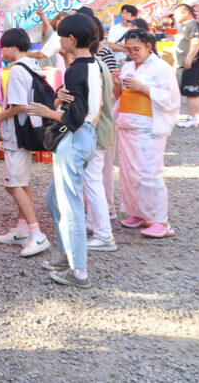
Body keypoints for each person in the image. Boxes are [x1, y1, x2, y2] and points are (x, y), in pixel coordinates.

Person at [26, 14, 101, 288]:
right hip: (84, 138)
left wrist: (49, 111)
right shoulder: (89, 64)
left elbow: (74, 118)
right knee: (55, 200)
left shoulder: (77, 69)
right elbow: (82, 105)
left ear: (71, 39)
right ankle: (69, 256)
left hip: (76, 138)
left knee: (70, 206)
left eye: (60, 36)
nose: (57, 41)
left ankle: (79, 271)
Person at [0, 28, 51, 258]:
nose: (2, 51)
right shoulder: (33, 66)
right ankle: (24, 229)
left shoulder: (16, 71)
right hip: (28, 131)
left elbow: (18, 106)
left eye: (3, 47)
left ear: (12, 47)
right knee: (23, 182)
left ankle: (36, 234)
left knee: (13, 184)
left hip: (16, 133)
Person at [113, 29, 180, 238]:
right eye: (129, 49)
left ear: (148, 46)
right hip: (127, 123)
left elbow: (169, 98)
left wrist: (143, 87)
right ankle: (139, 213)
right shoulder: (127, 66)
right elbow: (120, 96)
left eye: (136, 49)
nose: (132, 53)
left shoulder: (161, 68)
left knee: (149, 174)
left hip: (148, 126)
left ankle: (161, 220)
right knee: (129, 173)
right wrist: (117, 85)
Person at [82, 15, 117, 251]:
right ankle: (96, 224)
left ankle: (104, 234)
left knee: (93, 183)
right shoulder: (100, 63)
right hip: (100, 131)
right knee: (93, 182)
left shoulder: (92, 66)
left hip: (95, 133)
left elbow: (95, 107)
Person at [172, 4, 199, 127]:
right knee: (189, 91)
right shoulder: (185, 26)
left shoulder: (193, 24)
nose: (174, 16)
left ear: (185, 12)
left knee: (192, 92)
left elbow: (196, 42)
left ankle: (193, 118)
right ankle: (197, 116)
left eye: (176, 13)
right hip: (183, 63)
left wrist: (189, 58)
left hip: (191, 63)